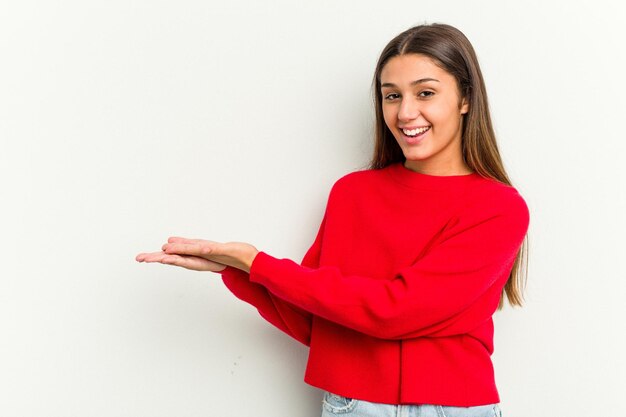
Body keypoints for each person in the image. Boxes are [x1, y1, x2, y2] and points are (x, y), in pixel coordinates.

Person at [136, 22, 529, 417]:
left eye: (425, 92)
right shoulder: (353, 194)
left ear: (465, 98)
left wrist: (259, 264)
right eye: (391, 96)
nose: (406, 112)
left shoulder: (499, 207)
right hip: (351, 406)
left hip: (454, 409)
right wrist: (238, 271)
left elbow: (394, 311)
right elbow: (317, 324)